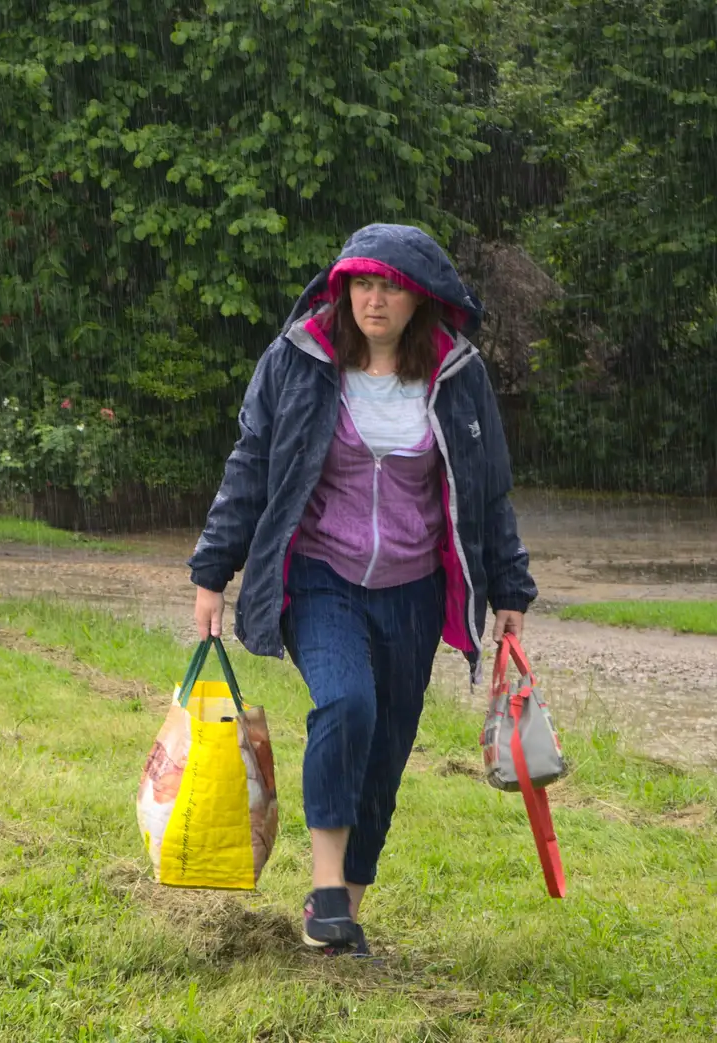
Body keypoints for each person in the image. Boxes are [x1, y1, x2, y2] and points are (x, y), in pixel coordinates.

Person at [187, 223, 537, 955]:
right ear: (343, 288)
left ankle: (340, 912)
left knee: (385, 752)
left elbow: (488, 490)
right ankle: (323, 886)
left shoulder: (457, 374)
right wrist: (211, 570)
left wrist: (510, 587)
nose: (375, 300)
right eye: (363, 283)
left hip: (414, 588)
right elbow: (250, 464)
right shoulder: (299, 360)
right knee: (347, 703)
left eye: (391, 286)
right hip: (321, 576)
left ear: (421, 298)